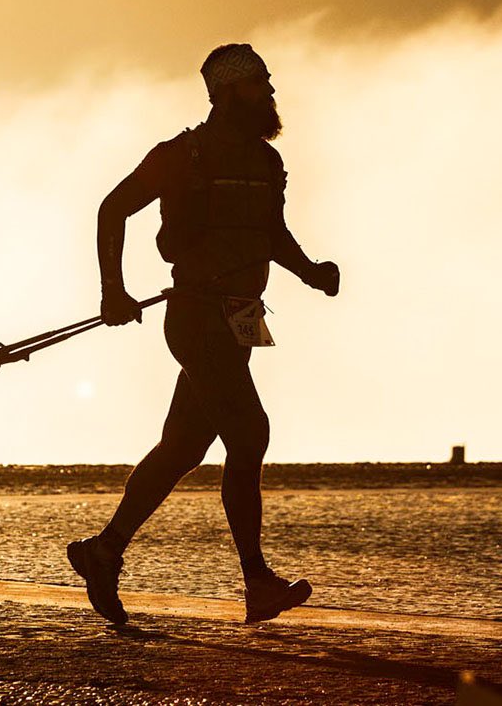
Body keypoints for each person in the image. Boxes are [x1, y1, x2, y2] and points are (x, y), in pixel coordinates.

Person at [66, 43, 340, 625]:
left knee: (185, 448)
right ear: (228, 91)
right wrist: (112, 292)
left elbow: (272, 235)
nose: (269, 93)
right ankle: (258, 583)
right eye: (259, 84)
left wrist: (311, 272)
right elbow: (112, 210)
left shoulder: (266, 164)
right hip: (196, 318)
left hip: (241, 318)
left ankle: (103, 550)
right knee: (249, 435)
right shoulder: (181, 154)